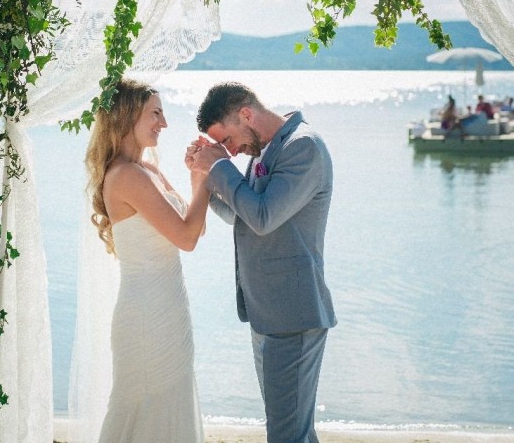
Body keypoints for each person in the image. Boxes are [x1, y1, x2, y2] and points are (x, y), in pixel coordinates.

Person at [188, 81, 336, 443]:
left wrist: (221, 167)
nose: (230, 151)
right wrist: (205, 176)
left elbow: (264, 215)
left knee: (286, 434)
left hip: (293, 315)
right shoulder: (264, 150)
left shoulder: (303, 147)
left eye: (226, 140)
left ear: (246, 114)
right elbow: (243, 215)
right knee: (292, 432)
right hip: (268, 314)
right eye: (221, 147)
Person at [85, 78, 208, 443]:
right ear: (127, 116)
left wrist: (196, 175)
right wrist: (213, 176)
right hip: (146, 315)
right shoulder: (126, 176)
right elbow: (186, 237)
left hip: (169, 306)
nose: (164, 123)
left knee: (171, 399)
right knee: (144, 406)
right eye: (156, 113)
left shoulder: (148, 170)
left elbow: (192, 229)